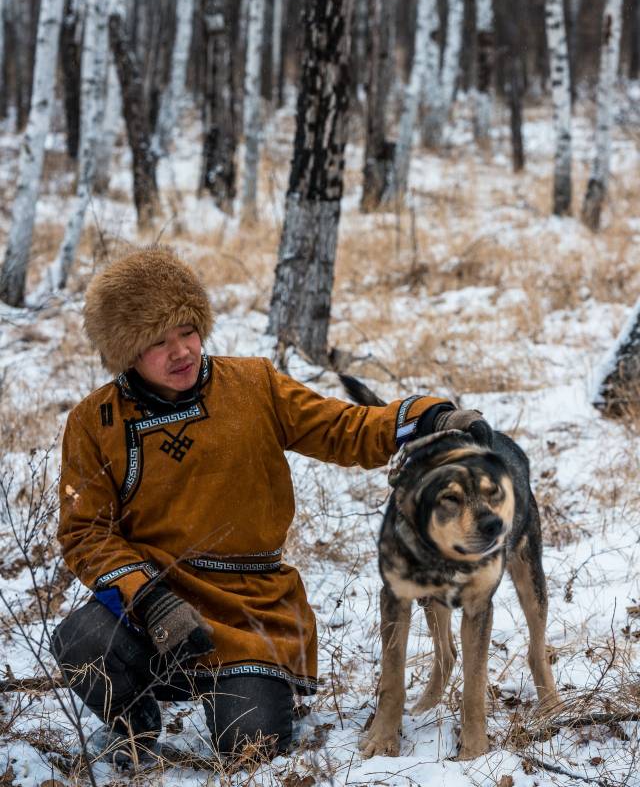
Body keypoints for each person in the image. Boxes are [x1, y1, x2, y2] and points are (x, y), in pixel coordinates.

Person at [51, 245, 493, 769]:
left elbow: (341, 428)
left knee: (249, 748)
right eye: (157, 342)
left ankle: (253, 686)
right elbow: (86, 533)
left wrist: (427, 417)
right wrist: (149, 599)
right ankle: (135, 724)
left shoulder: (253, 384)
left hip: (251, 608)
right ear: (125, 352)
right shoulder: (94, 421)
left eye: (187, 332)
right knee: (79, 640)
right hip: (156, 604)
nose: (181, 352)